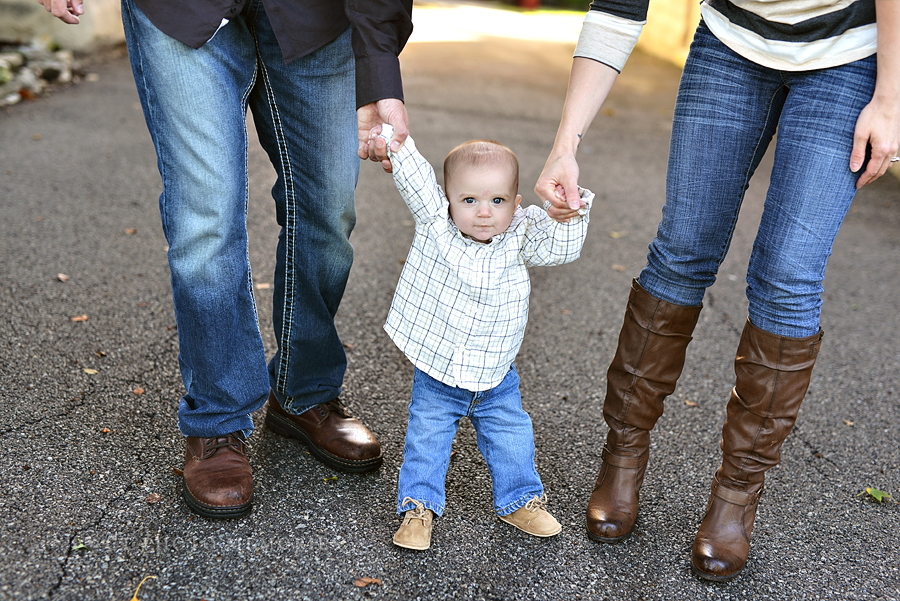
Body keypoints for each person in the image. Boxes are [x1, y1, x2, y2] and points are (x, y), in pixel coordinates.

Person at [536, 0, 899, 582]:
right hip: (731, 43)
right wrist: (565, 145)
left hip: (849, 57)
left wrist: (890, 96)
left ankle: (736, 494)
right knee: (682, 250)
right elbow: (617, 10)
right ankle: (622, 456)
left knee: (787, 277)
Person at [39, 0, 414, 518]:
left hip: (316, 15)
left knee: (328, 210)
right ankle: (217, 419)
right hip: (182, 10)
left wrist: (379, 70)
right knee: (206, 217)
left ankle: (304, 390)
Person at [374, 125, 593, 550]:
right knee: (427, 439)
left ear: (516, 203)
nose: (483, 213)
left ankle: (519, 501)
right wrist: (390, 136)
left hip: (496, 373)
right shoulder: (436, 224)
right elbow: (415, 175)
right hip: (439, 369)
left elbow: (561, 249)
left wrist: (570, 211)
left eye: (497, 201)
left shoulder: (521, 235)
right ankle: (418, 508)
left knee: (512, 437)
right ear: (449, 200)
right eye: (469, 200)